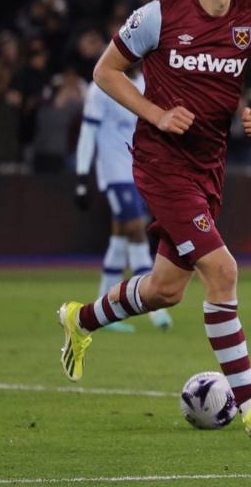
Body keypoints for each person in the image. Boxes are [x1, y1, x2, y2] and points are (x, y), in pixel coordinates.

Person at [57, 0, 251, 439]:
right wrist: (157, 114)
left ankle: (81, 319)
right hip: (162, 162)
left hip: (211, 165)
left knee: (166, 290)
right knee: (222, 271)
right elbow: (105, 72)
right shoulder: (159, 17)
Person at [74, 67, 173, 333]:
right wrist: (82, 176)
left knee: (120, 235)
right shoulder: (101, 87)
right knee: (137, 230)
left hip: (137, 172)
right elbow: (88, 132)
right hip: (113, 173)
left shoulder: (146, 83)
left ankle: (102, 304)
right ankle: (157, 308)